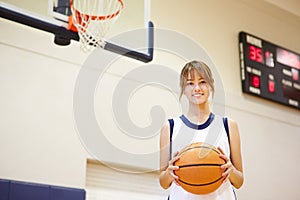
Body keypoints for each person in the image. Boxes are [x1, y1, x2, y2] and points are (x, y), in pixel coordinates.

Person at [159, 60, 244, 200]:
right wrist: (169, 172)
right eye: (190, 83)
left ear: (210, 86)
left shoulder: (229, 125)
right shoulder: (170, 127)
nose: (197, 88)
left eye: (203, 82)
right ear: (183, 89)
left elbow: (239, 181)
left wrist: (231, 170)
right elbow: (163, 182)